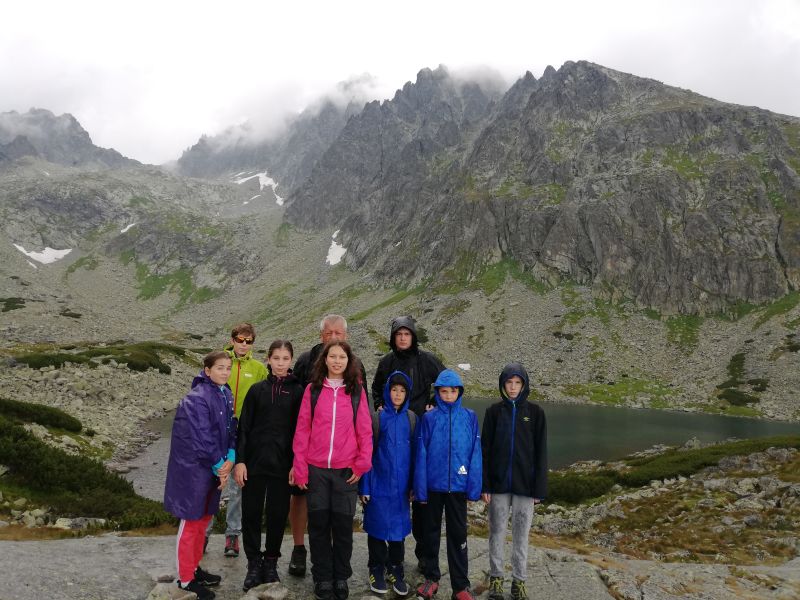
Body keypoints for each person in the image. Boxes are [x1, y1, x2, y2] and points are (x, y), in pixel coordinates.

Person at [291, 340, 373, 600]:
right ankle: (323, 577)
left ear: (349, 362)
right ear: (324, 360)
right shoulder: (312, 390)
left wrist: (362, 463)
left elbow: (365, 430)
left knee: (342, 528)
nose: (337, 361)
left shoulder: (357, 391)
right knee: (318, 527)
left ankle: (341, 576)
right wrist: (300, 467)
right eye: (333, 356)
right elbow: (302, 430)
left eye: (342, 357)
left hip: (345, 470)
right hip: (316, 469)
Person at [370, 315, 443, 572]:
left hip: (420, 431)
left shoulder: (426, 360)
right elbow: (377, 386)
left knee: (420, 495)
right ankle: (387, 552)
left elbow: (444, 380)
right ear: (393, 337)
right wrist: (379, 403)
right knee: (394, 493)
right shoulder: (386, 362)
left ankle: (423, 554)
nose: (403, 337)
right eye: (398, 334)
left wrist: (435, 401)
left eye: (407, 333)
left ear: (413, 336)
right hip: (392, 434)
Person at [163, 351, 237, 600]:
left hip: (212, 468)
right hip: (193, 471)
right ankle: (185, 580)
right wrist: (220, 465)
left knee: (204, 519)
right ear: (207, 370)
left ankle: (194, 569)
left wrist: (231, 456)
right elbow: (201, 438)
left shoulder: (225, 394)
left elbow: (230, 427)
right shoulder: (196, 398)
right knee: (190, 523)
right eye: (219, 368)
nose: (225, 372)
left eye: (228, 368)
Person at [234, 340, 304, 591]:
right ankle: (254, 564)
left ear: (291, 361)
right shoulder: (256, 391)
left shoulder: (298, 392)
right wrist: (240, 461)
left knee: (276, 516)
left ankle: (271, 562)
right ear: (268, 360)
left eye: (285, 359)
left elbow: (301, 431)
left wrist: (297, 464)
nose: (281, 363)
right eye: (276, 359)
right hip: (254, 464)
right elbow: (244, 428)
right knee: (251, 514)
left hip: (282, 465)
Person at [413, 369, 482, 600]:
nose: (449, 395)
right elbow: (421, 453)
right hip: (433, 487)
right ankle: (431, 578)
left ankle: (460, 586)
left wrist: (474, 486)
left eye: (453, 391)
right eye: (444, 391)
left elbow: (475, 452)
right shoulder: (429, 418)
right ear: (438, 392)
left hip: (458, 488)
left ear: (459, 392)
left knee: (458, 534)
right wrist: (420, 489)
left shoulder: (469, 417)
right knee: (430, 534)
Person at [482, 363, 547, 600]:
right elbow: (485, 451)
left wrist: (538, 488)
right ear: (502, 384)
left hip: (525, 488)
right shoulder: (493, 412)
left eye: (517, 383)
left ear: (524, 385)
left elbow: (541, 453)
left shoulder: (536, 413)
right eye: (509, 383)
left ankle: (519, 582)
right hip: (498, 486)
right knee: (496, 533)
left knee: (521, 536)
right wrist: (485, 484)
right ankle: (496, 580)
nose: (512, 387)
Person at [206, 323, 268, 558]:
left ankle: (232, 535)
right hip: (218, 430)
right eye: (239, 339)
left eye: (248, 341)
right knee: (213, 483)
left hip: (244, 432)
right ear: (232, 339)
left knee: (237, 485)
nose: (244, 344)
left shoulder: (259, 368)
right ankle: (204, 532)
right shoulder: (221, 363)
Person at [359, 371, 415, 596]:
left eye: (402, 391)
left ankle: (396, 568)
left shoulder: (412, 419)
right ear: (387, 391)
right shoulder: (377, 418)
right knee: (377, 528)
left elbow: (416, 456)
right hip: (379, 483)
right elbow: (366, 455)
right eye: (394, 390)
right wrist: (365, 487)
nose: (398, 394)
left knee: (399, 531)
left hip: (402, 488)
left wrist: (415, 486)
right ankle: (376, 567)